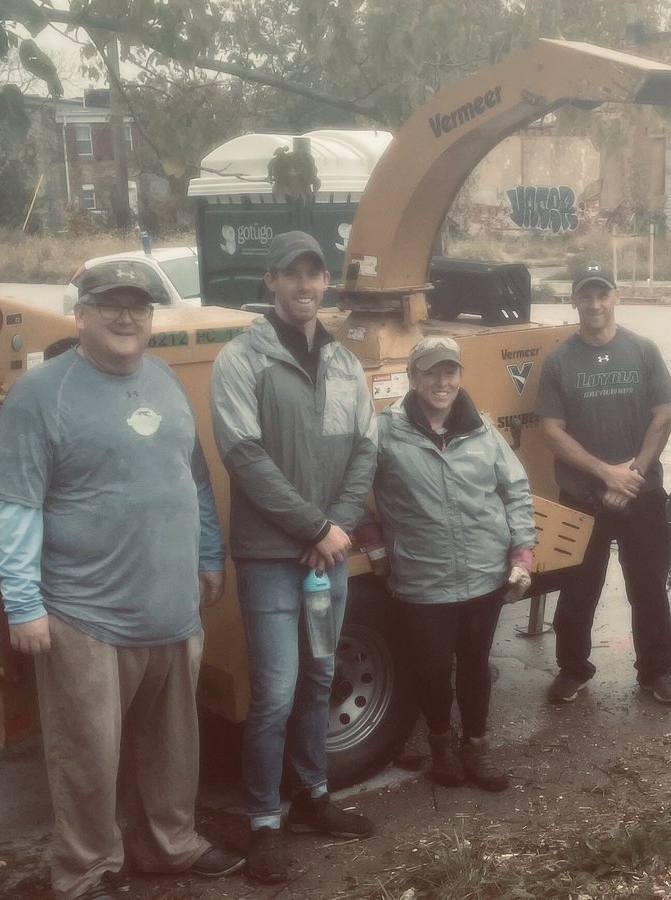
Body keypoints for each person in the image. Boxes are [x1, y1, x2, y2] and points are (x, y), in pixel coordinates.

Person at [0, 262, 243, 900]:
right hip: (85, 617)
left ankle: (169, 846)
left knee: (174, 751)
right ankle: (88, 869)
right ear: (81, 314)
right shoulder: (42, 394)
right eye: (111, 306)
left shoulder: (163, 378)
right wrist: (23, 605)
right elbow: (14, 506)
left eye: (139, 306)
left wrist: (210, 552)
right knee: (88, 759)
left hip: (173, 609)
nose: (127, 318)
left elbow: (194, 476)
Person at [209, 231, 378, 883]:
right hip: (271, 559)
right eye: (292, 275)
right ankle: (262, 822)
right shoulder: (242, 359)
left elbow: (366, 445)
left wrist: (337, 526)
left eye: (315, 274)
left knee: (318, 680)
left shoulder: (343, 362)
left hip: (328, 557)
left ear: (325, 283)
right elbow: (243, 456)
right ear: (271, 283)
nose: (306, 285)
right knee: (276, 691)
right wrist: (315, 525)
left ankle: (313, 798)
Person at [364, 336, 535, 791]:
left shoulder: (483, 431)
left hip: (484, 573)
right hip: (423, 577)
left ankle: (476, 745)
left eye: (450, 372)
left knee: (476, 663)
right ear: (414, 378)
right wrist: (373, 542)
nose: (442, 381)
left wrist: (522, 553)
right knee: (433, 667)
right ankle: (441, 742)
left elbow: (516, 492)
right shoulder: (384, 432)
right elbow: (350, 490)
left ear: (459, 377)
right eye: (431, 372)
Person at [535, 261, 671, 705]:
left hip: (642, 494)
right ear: (575, 299)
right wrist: (606, 473)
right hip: (583, 497)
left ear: (615, 296)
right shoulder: (560, 360)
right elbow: (552, 430)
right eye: (586, 295)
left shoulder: (642, 350)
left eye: (603, 294)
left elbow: (663, 415)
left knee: (649, 587)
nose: (595, 304)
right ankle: (573, 669)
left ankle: (656, 672)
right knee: (578, 591)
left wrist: (633, 474)